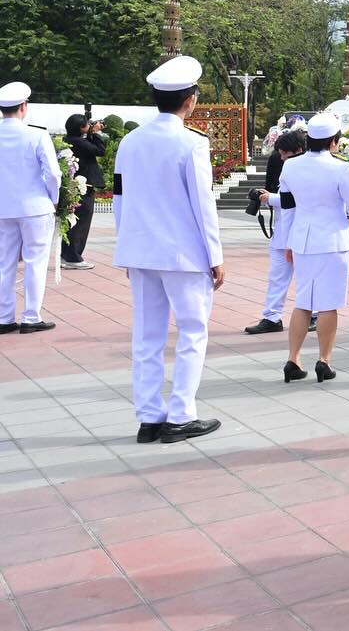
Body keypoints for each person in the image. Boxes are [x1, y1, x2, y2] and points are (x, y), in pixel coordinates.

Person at [113, 56, 225, 443]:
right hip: (184, 254)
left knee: (147, 335)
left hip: (141, 251)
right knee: (193, 331)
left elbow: (119, 196)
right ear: (191, 100)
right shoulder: (192, 143)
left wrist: (125, 246)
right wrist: (216, 256)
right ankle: (180, 414)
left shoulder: (129, 141)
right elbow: (203, 204)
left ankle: (149, 417)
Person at [279, 113, 349, 383]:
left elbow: (287, 206)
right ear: (334, 141)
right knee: (328, 304)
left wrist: (288, 241)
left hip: (303, 239)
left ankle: (293, 358)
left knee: (303, 301)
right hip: (332, 241)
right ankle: (324, 361)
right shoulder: (340, 168)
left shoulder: (290, 166)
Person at [0, 82, 61, 334]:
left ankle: (4, 318)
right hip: (35, 207)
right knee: (35, 261)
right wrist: (54, 199)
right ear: (24, 107)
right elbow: (53, 173)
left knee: (4, 263)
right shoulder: (36, 135)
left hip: (3, 208)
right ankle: (31, 317)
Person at [244, 129, 307, 335]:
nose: (281, 157)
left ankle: (313, 313)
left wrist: (269, 198)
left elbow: (295, 200)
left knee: (306, 276)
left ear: (298, 150)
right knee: (277, 276)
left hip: (301, 231)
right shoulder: (285, 165)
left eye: (284, 153)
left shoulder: (308, 168)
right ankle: (272, 316)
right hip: (283, 230)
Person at [60, 113, 106, 269]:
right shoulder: (79, 142)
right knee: (82, 221)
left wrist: (90, 133)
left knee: (73, 220)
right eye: (87, 125)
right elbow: (100, 150)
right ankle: (73, 257)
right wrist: (96, 133)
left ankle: (67, 255)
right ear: (81, 128)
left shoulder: (69, 140)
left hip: (75, 185)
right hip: (84, 186)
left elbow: (90, 147)